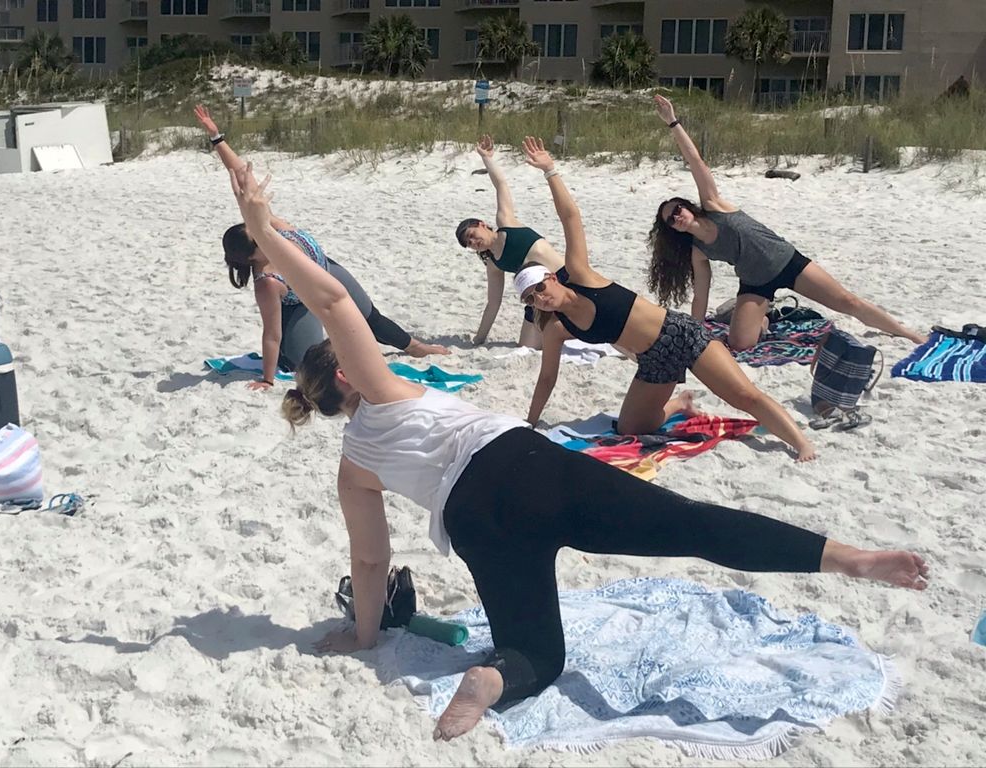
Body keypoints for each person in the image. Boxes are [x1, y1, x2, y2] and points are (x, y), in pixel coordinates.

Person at [225, 161, 928, 743]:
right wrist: (262, 227)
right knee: (695, 527)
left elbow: (370, 561)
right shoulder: (378, 389)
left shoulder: (356, 465)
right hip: (523, 466)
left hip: (474, 524)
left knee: (537, 655)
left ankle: (490, 681)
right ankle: (851, 559)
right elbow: (336, 302)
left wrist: (367, 637)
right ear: (346, 377)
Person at [515, 138, 817, 462]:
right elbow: (547, 377)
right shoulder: (557, 328)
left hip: (680, 334)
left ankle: (801, 443)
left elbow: (571, 217)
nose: (540, 300)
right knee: (630, 426)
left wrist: (550, 171)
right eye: (531, 300)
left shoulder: (580, 275)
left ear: (550, 278)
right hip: (654, 360)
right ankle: (681, 404)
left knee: (743, 395)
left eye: (540, 290)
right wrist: (531, 422)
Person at [194, 105, 447, 391]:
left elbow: (241, 174)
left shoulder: (271, 225)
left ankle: (413, 346)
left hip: (325, 270)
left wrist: (217, 138)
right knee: (308, 362)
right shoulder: (267, 283)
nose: (263, 231)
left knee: (368, 316)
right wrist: (267, 378)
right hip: (299, 302)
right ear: (252, 257)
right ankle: (293, 356)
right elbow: (271, 334)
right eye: (257, 236)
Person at [648, 94, 927, 350]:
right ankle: (764, 316)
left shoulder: (714, 205)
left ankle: (905, 332)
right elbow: (701, 295)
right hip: (755, 283)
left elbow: (695, 160)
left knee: (847, 301)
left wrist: (672, 122)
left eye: (678, 210)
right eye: (671, 220)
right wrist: (696, 333)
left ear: (688, 207)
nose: (677, 217)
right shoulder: (698, 250)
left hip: (786, 262)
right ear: (673, 229)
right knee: (740, 343)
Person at [455, 135, 568, 349]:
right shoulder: (493, 264)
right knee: (526, 347)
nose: (472, 242)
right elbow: (493, 303)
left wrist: (487, 158)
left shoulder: (506, 222)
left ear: (481, 224)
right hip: (538, 297)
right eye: (468, 244)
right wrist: (479, 339)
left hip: (565, 277)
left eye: (471, 235)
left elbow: (501, 185)